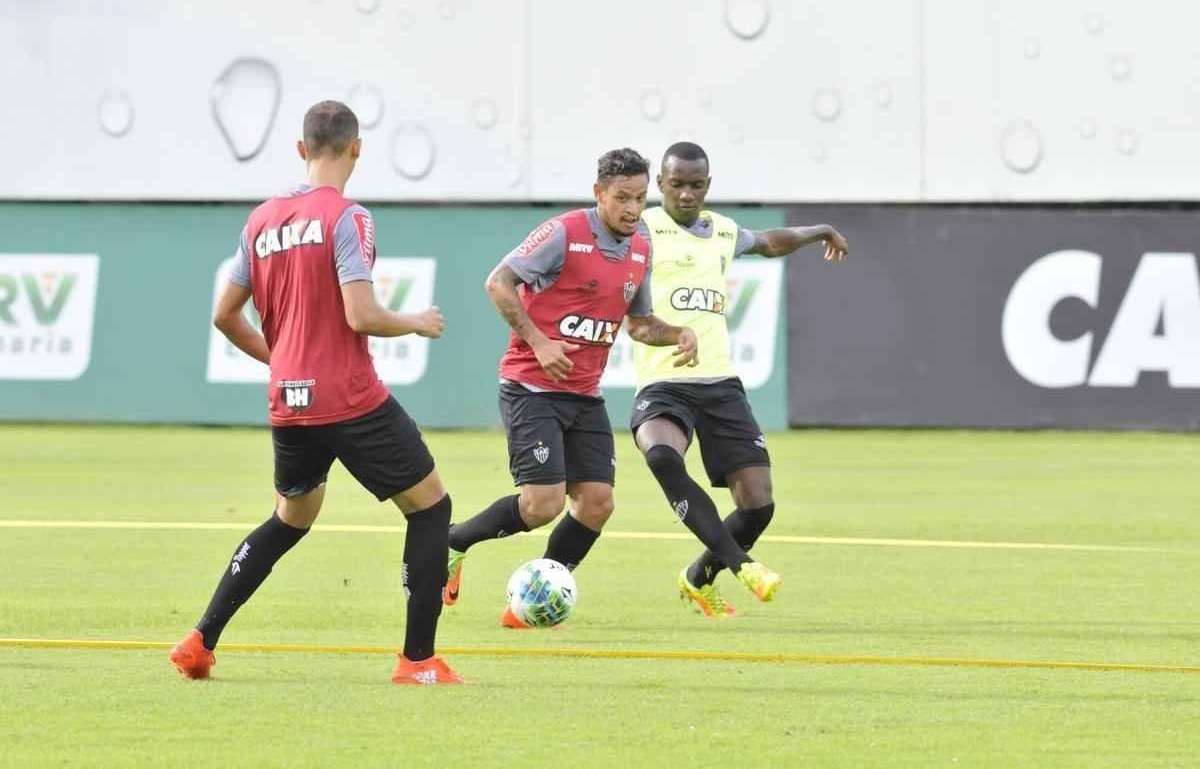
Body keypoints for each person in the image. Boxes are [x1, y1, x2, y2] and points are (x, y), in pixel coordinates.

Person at [169, 101, 463, 684]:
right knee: (432, 508)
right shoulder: (349, 218)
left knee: (291, 517)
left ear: (301, 150)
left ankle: (200, 640)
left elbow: (225, 315)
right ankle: (418, 661)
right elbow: (361, 314)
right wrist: (415, 321)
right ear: (357, 149)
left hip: (289, 399)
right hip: (349, 397)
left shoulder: (260, 221)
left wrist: (283, 361)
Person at [441, 148, 699, 627]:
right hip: (531, 388)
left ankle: (532, 603)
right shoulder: (564, 233)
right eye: (621, 197)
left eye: (640, 198)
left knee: (598, 504)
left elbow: (638, 325)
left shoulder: (641, 245)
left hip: (584, 395)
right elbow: (498, 283)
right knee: (543, 505)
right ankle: (453, 542)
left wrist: (677, 333)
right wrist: (538, 342)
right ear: (599, 192)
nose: (631, 209)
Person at [632, 141, 849, 618]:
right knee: (663, 455)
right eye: (676, 185)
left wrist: (820, 230)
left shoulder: (723, 232)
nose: (686, 194)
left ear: (707, 186)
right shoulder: (640, 230)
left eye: (696, 185)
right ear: (660, 186)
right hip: (664, 383)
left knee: (758, 504)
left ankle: (698, 577)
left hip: (721, 385)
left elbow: (770, 242)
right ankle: (743, 566)